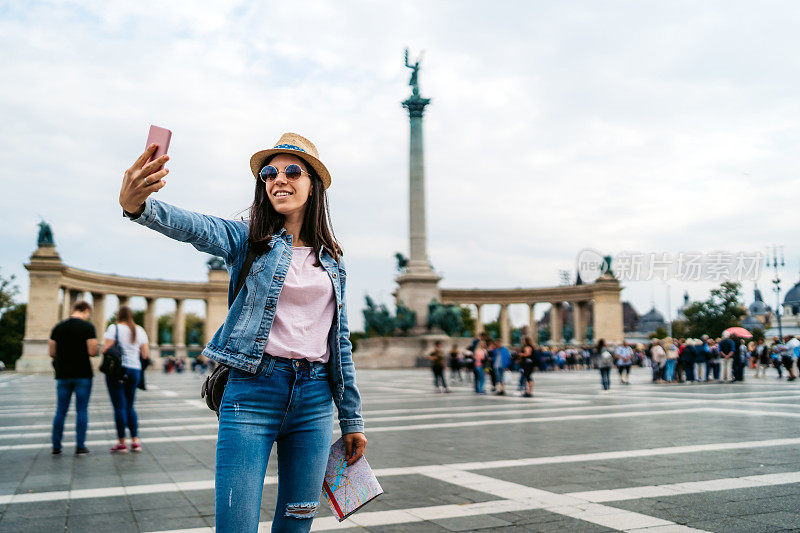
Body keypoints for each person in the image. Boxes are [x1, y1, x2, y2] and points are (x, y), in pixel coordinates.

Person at [119, 133, 366, 532]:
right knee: (235, 524)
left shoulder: (332, 259)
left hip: (316, 401)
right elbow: (196, 227)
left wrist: (352, 420)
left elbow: (340, 343)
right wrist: (139, 206)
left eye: (291, 171)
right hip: (252, 391)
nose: (278, 179)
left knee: (297, 522)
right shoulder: (247, 238)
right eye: (269, 173)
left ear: (313, 184)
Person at [49, 301, 98, 455]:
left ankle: (56, 446)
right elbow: (92, 351)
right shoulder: (88, 327)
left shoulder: (58, 327)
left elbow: (51, 352)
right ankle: (80, 446)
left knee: (61, 411)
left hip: (63, 374)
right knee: (81, 410)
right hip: (83, 373)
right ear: (85, 311)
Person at [102, 306, 149, 453]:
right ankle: (135, 441)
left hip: (117, 371)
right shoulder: (139, 330)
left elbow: (105, 349)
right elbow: (145, 354)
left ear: (118, 315)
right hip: (135, 370)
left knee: (119, 406)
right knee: (130, 405)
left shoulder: (113, 328)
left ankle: (122, 442)